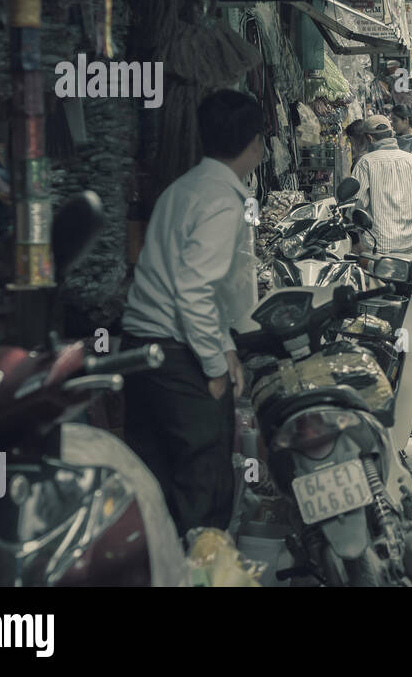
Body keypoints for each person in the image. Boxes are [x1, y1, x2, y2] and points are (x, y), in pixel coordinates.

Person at [121, 89, 265, 537]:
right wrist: (213, 361)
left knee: (153, 481)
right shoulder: (224, 201)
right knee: (204, 489)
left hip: (143, 351)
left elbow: (190, 283)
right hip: (177, 355)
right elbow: (194, 288)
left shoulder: (184, 188)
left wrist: (223, 347)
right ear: (256, 143)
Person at [351, 114, 412, 262]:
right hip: (409, 243)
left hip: (377, 244)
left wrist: (355, 231)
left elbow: (358, 203)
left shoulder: (365, 163)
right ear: (392, 134)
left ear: (370, 138)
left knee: (374, 282)